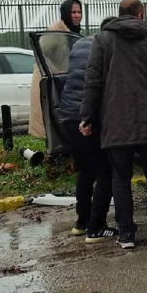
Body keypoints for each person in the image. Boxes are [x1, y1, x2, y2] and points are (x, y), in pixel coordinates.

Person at [80, 0, 147, 250]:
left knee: (120, 177)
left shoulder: (102, 40)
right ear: (140, 14)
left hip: (116, 119)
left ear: (119, 14)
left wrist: (87, 116)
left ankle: (126, 234)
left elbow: (93, 81)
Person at [59, 17, 116, 242]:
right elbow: (96, 86)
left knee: (86, 170)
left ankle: (82, 222)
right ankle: (97, 227)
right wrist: (91, 118)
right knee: (105, 171)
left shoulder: (80, 44)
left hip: (67, 114)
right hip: (86, 116)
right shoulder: (107, 47)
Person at [29, 0, 82, 138]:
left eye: (79, 11)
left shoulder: (72, 32)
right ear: (65, 13)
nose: (77, 15)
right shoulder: (56, 31)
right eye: (73, 12)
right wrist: (53, 71)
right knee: (51, 122)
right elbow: (41, 54)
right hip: (50, 80)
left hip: (63, 80)